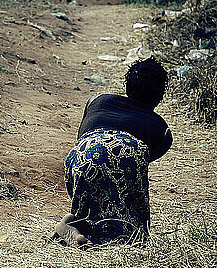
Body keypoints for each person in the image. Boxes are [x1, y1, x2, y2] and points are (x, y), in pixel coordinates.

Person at [55, 57, 173, 246]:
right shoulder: (161, 130)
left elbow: (82, 137)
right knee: (131, 234)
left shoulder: (96, 101)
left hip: (79, 158)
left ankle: (76, 222)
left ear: (127, 86)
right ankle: (106, 232)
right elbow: (138, 164)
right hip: (123, 158)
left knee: (97, 174)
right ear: (160, 96)